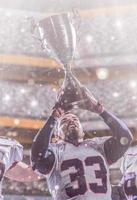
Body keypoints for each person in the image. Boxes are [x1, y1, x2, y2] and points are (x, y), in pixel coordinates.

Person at [31, 89, 133, 200]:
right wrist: (53, 118)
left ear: (83, 132)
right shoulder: (55, 151)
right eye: (64, 121)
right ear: (57, 135)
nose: (71, 121)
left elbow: (125, 138)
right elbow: (37, 158)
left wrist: (101, 111)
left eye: (75, 119)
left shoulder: (99, 146)